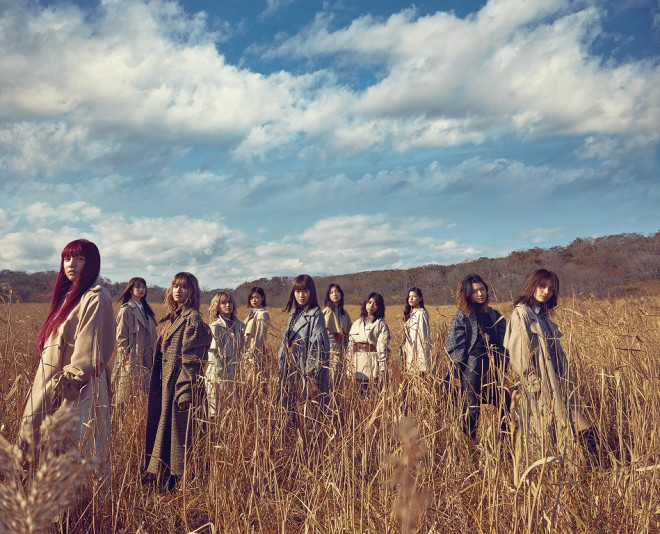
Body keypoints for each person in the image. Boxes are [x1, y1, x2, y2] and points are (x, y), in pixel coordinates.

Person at [19, 239, 114, 485]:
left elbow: (90, 352)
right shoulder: (68, 297)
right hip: (51, 386)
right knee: (40, 448)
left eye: (79, 258)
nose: (71, 264)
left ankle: (80, 509)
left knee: (74, 453)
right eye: (67, 258)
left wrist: (66, 388)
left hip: (76, 390)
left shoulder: (95, 297)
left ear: (91, 263)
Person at [504, 269, 597, 476]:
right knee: (559, 427)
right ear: (533, 285)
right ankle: (587, 471)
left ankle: (584, 472)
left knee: (567, 426)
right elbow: (520, 357)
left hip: (557, 384)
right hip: (541, 386)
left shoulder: (541, 314)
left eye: (551, 289)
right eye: (542, 286)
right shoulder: (522, 314)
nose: (546, 291)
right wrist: (535, 385)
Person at [144, 272, 212, 492]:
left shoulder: (193, 319)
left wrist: (185, 391)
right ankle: (162, 475)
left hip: (180, 385)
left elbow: (193, 360)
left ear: (192, 291)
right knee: (165, 430)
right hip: (166, 383)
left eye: (183, 287)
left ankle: (176, 481)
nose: (178, 290)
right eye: (175, 286)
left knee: (179, 434)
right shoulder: (174, 316)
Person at [444, 274, 509, 440]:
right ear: (467, 294)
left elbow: (504, 342)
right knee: (472, 409)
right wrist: (456, 373)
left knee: (506, 404)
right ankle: (469, 445)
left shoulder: (494, 314)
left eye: (482, 289)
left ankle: (504, 443)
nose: (480, 294)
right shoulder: (462, 315)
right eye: (474, 291)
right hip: (472, 366)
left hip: (493, 365)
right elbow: (454, 346)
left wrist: (503, 363)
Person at [276, 274, 330, 414]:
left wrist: (312, 378)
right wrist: (281, 365)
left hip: (305, 373)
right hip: (290, 371)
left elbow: (317, 349)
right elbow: (285, 344)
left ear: (312, 292)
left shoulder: (316, 315)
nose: (301, 295)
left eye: (305, 291)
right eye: (297, 291)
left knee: (307, 412)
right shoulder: (293, 315)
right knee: (290, 409)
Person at [113, 277, 158, 408]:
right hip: (132, 359)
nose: (141, 289)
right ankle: (118, 420)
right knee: (125, 397)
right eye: (137, 287)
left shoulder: (147, 310)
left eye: (143, 287)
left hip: (148, 359)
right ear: (130, 290)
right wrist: (127, 356)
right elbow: (121, 337)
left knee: (148, 397)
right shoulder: (126, 310)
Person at [205, 292, 245, 416]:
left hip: (235, 377)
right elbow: (214, 357)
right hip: (218, 378)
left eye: (230, 302)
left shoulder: (239, 326)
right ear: (217, 307)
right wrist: (223, 377)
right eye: (223, 303)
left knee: (232, 414)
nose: (228, 305)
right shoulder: (215, 327)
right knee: (216, 413)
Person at [347, 292, 390, 391]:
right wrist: (349, 369)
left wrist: (382, 372)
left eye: (375, 304)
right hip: (357, 362)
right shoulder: (357, 323)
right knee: (357, 393)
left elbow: (382, 350)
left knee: (372, 392)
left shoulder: (381, 324)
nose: (371, 306)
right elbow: (350, 347)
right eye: (369, 302)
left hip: (372, 362)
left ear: (379, 307)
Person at [322, 283, 352, 388]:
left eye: (337, 291)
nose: (335, 294)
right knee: (331, 380)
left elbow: (349, 331)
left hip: (342, 352)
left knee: (340, 381)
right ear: (328, 296)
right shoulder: (327, 311)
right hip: (330, 353)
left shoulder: (344, 313)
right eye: (331, 292)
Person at [400, 287, 432, 375]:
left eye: (414, 296)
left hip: (417, 351)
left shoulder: (421, 313)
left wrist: (423, 361)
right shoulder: (411, 313)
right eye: (409, 296)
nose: (411, 298)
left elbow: (423, 337)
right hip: (409, 350)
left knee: (418, 376)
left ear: (420, 298)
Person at [243, 286, 270, 368]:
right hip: (247, 351)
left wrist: (253, 353)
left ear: (262, 298)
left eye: (256, 297)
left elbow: (260, 336)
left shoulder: (262, 314)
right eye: (251, 298)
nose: (254, 300)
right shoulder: (252, 313)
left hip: (254, 353)